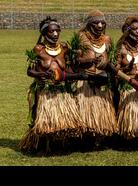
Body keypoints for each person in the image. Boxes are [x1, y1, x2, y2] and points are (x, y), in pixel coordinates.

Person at [19, 17, 83, 153]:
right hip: (45, 91)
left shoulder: (64, 47)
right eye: (51, 32)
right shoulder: (38, 49)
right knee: (45, 122)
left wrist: (75, 67)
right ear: (44, 34)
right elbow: (29, 70)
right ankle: (42, 145)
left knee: (63, 120)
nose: (55, 34)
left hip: (62, 91)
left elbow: (70, 67)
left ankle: (61, 145)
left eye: (57, 31)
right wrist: (40, 75)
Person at [73, 9, 118, 141]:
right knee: (86, 113)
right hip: (86, 82)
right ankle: (85, 137)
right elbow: (75, 61)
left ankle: (102, 136)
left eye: (102, 23)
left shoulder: (107, 40)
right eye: (96, 23)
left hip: (103, 81)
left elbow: (113, 61)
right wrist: (89, 61)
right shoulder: (81, 38)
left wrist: (107, 62)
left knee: (103, 112)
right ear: (88, 24)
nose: (99, 26)